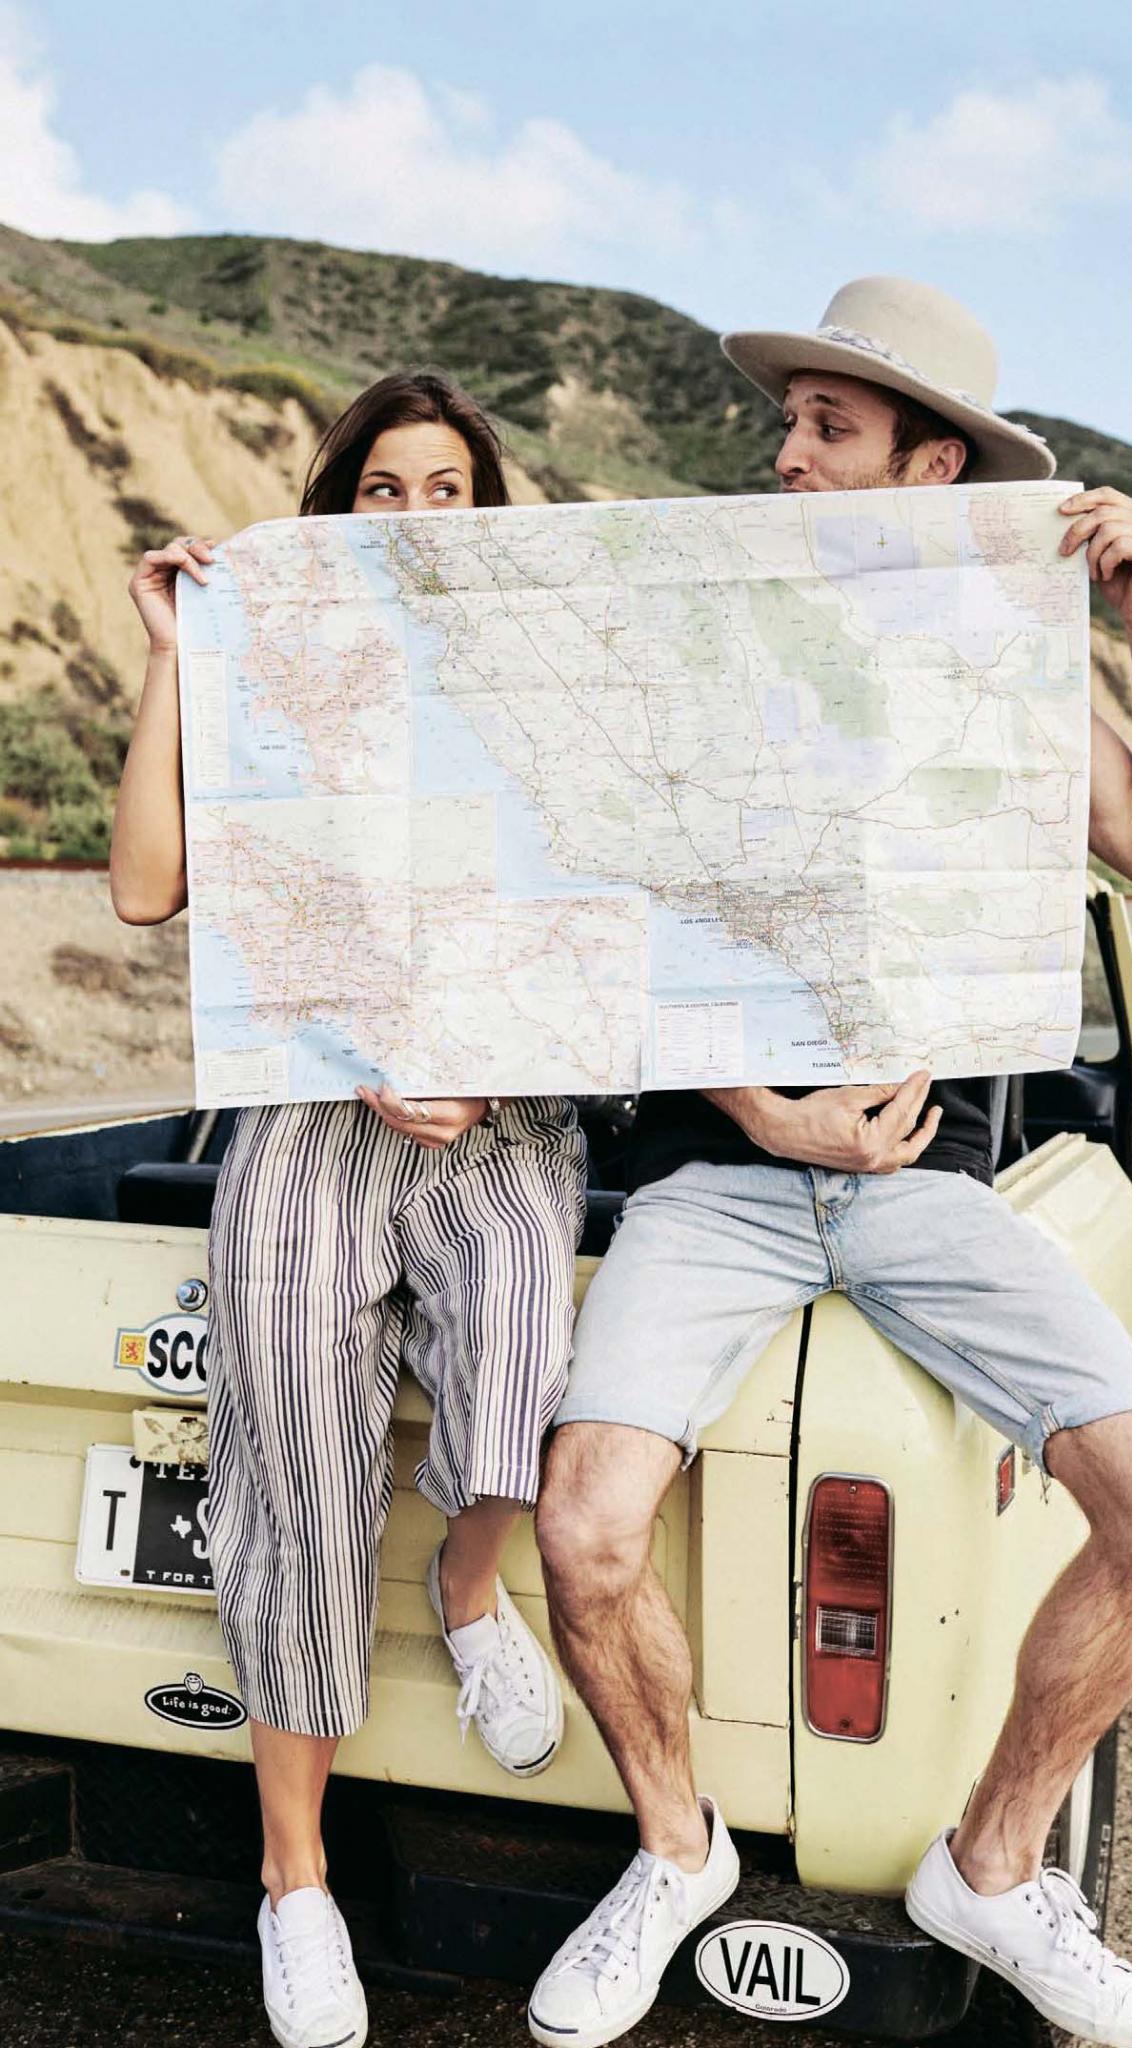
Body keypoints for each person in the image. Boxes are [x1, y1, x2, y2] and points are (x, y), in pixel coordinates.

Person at [528, 278, 1132, 2048]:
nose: (784, 455)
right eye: (787, 424)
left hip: (925, 1192)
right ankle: (674, 1849)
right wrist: (763, 1114)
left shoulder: (1000, 674)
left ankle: (990, 1869)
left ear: (930, 469)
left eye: (826, 429)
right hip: (719, 1180)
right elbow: (603, 921)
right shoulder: (702, 660)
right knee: (585, 1526)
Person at [112, 372, 587, 2048]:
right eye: (382, 487)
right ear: (335, 513)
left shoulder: (548, 694)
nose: (412, 514)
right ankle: (295, 1885)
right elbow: (147, 886)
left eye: (446, 488)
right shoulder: (269, 674)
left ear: (486, 515)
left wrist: (485, 1057)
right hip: (310, 1114)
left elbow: (607, 917)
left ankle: (465, 1588)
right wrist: (175, 658)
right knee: (296, 1492)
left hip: (499, 1117)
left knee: (523, 1378)